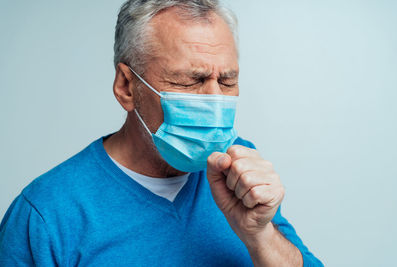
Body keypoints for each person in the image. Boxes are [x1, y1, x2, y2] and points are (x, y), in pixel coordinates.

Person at [0, 0, 323, 266]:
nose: (214, 103)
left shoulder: (240, 167)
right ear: (127, 86)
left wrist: (259, 233)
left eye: (226, 81)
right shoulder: (47, 213)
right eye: (189, 81)